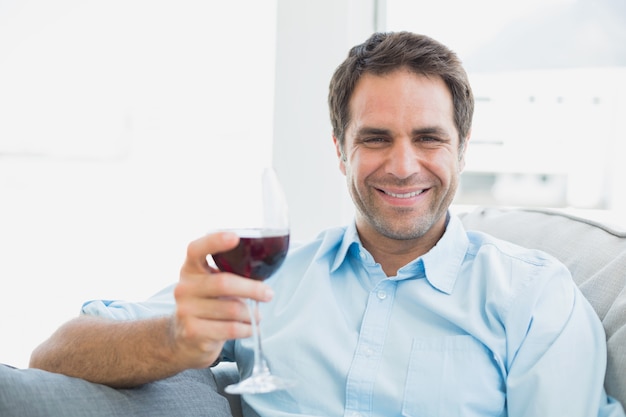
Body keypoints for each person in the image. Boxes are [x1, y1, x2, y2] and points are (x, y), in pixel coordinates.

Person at [28, 31, 624, 416]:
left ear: (462, 149)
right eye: (375, 139)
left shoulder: (536, 298)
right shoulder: (274, 281)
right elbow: (55, 354)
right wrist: (176, 341)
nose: (402, 164)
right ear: (340, 151)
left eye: (428, 138)